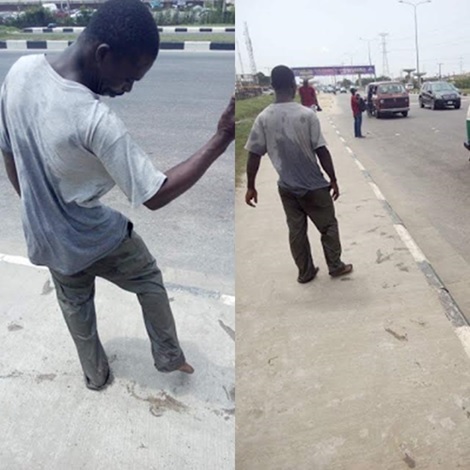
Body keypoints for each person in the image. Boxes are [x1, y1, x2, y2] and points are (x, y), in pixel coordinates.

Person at [0, 0, 234, 391]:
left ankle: (95, 376)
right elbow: (155, 194)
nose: (126, 89)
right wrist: (222, 138)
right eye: (129, 78)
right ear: (103, 54)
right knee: (147, 277)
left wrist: (37, 207)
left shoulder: (20, 72)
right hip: (95, 237)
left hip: (48, 239)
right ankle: (169, 357)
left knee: (75, 306)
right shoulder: (96, 120)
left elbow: (8, 151)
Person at [244, 65, 353, 283]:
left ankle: (305, 272)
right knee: (328, 226)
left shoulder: (263, 118)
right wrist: (333, 179)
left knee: (296, 230)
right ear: (294, 87)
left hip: (287, 187)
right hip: (314, 186)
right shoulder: (307, 115)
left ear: (272, 86)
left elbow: (254, 155)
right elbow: (321, 150)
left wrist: (251, 186)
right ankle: (335, 265)